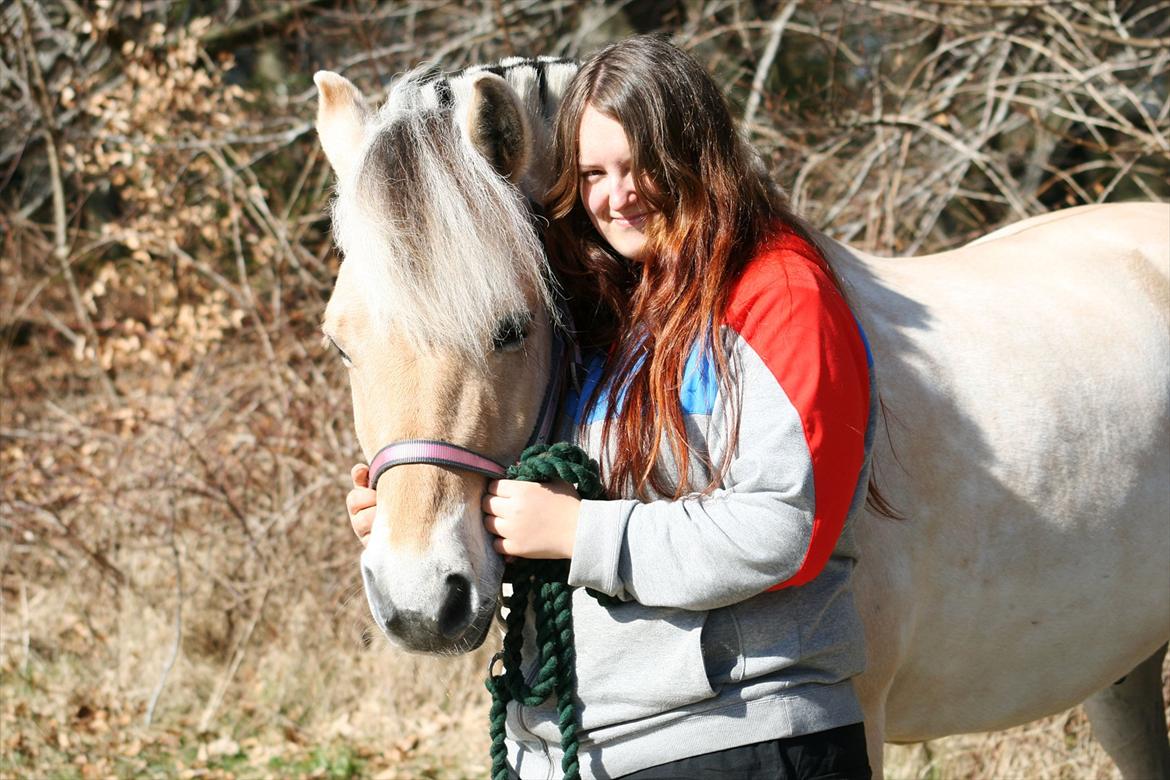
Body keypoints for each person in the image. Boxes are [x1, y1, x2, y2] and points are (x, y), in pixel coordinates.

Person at [347, 35, 875, 780]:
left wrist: (578, 529)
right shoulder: (600, 310)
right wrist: (422, 503)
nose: (616, 195)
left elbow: (784, 528)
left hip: (737, 737)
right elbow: (551, 482)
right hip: (583, 744)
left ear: (698, 159)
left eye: (641, 167)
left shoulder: (775, 294)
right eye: (594, 172)